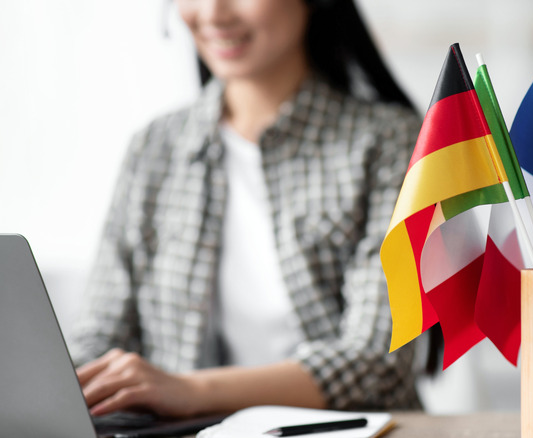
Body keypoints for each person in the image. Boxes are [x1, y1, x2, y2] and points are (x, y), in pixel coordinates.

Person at [68, 0, 424, 418]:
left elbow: (378, 359)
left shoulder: (389, 141)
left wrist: (189, 390)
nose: (213, 13)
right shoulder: (153, 147)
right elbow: (99, 336)